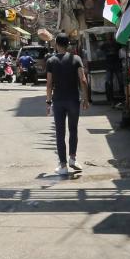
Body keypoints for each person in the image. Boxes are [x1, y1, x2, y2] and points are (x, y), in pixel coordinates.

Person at [45, 35, 89, 175]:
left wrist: (48, 101)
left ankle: (63, 166)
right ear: (68, 45)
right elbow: (83, 80)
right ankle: (72, 159)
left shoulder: (51, 61)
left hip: (58, 101)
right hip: (73, 100)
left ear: (57, 45)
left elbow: (49, 84)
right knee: (73, 130)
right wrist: (85, 98)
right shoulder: (76, 59)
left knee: (60, 133)